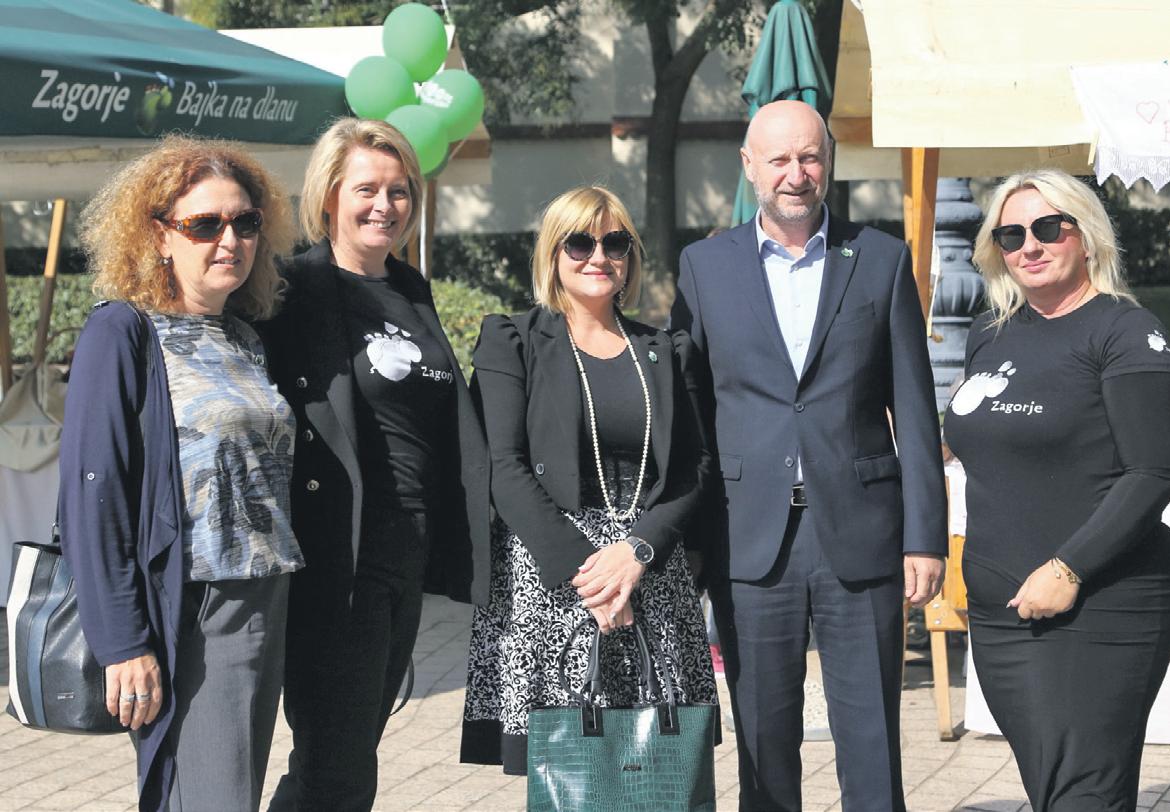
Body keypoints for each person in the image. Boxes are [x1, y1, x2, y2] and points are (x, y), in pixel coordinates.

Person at [670, 100, 948, 811]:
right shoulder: (704, 267)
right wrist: (687, 537)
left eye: (810, 157)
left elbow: (915, 409)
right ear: (749, 166)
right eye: (780, 160)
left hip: (861, 531)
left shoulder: (881, 258)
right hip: (748, 535)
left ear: (829, 161)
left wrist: (925, 537)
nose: (796, 174)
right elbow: (690, 412)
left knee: (872, 740)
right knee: (764, 744)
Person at [59, 135, 300, 811]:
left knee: (225, 793)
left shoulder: (245, 338)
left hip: (265, 593)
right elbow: (91, 494)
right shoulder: (123, 332)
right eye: (204, 224)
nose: (230, 239)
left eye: (245, 222)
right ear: (160, 236)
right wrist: (122, 642)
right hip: (194, 603)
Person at [260, 117, 488, 812]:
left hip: (408, 553)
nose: (385, 205)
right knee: (338, 766)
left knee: (346, 754)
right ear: (329, 195)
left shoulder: (412, 289)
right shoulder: (292, 290)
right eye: (367, 189)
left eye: (399, 190)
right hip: (341, 555)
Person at [460, 185, 718, 775]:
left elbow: (696, 465)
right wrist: (594, 578)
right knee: (569, 776)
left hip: (650, 572)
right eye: (579, 243)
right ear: (552, 253)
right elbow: (503, 465)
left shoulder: (666, 350)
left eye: (615, 243)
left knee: (656, 773)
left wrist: (637, 553)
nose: (599, 256)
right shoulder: (513, 341)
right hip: (554, 578)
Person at [943, 169, 1170, 811]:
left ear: (1088, 235)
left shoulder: (1125, 331)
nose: (1030, 246)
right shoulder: (989, 333)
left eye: (1048, 228)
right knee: (1054, 791)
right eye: (1011, 234)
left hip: (1100, 603)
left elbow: (1154, 472)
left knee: (1083, 795)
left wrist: (1069, 569)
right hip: (1001, 611)